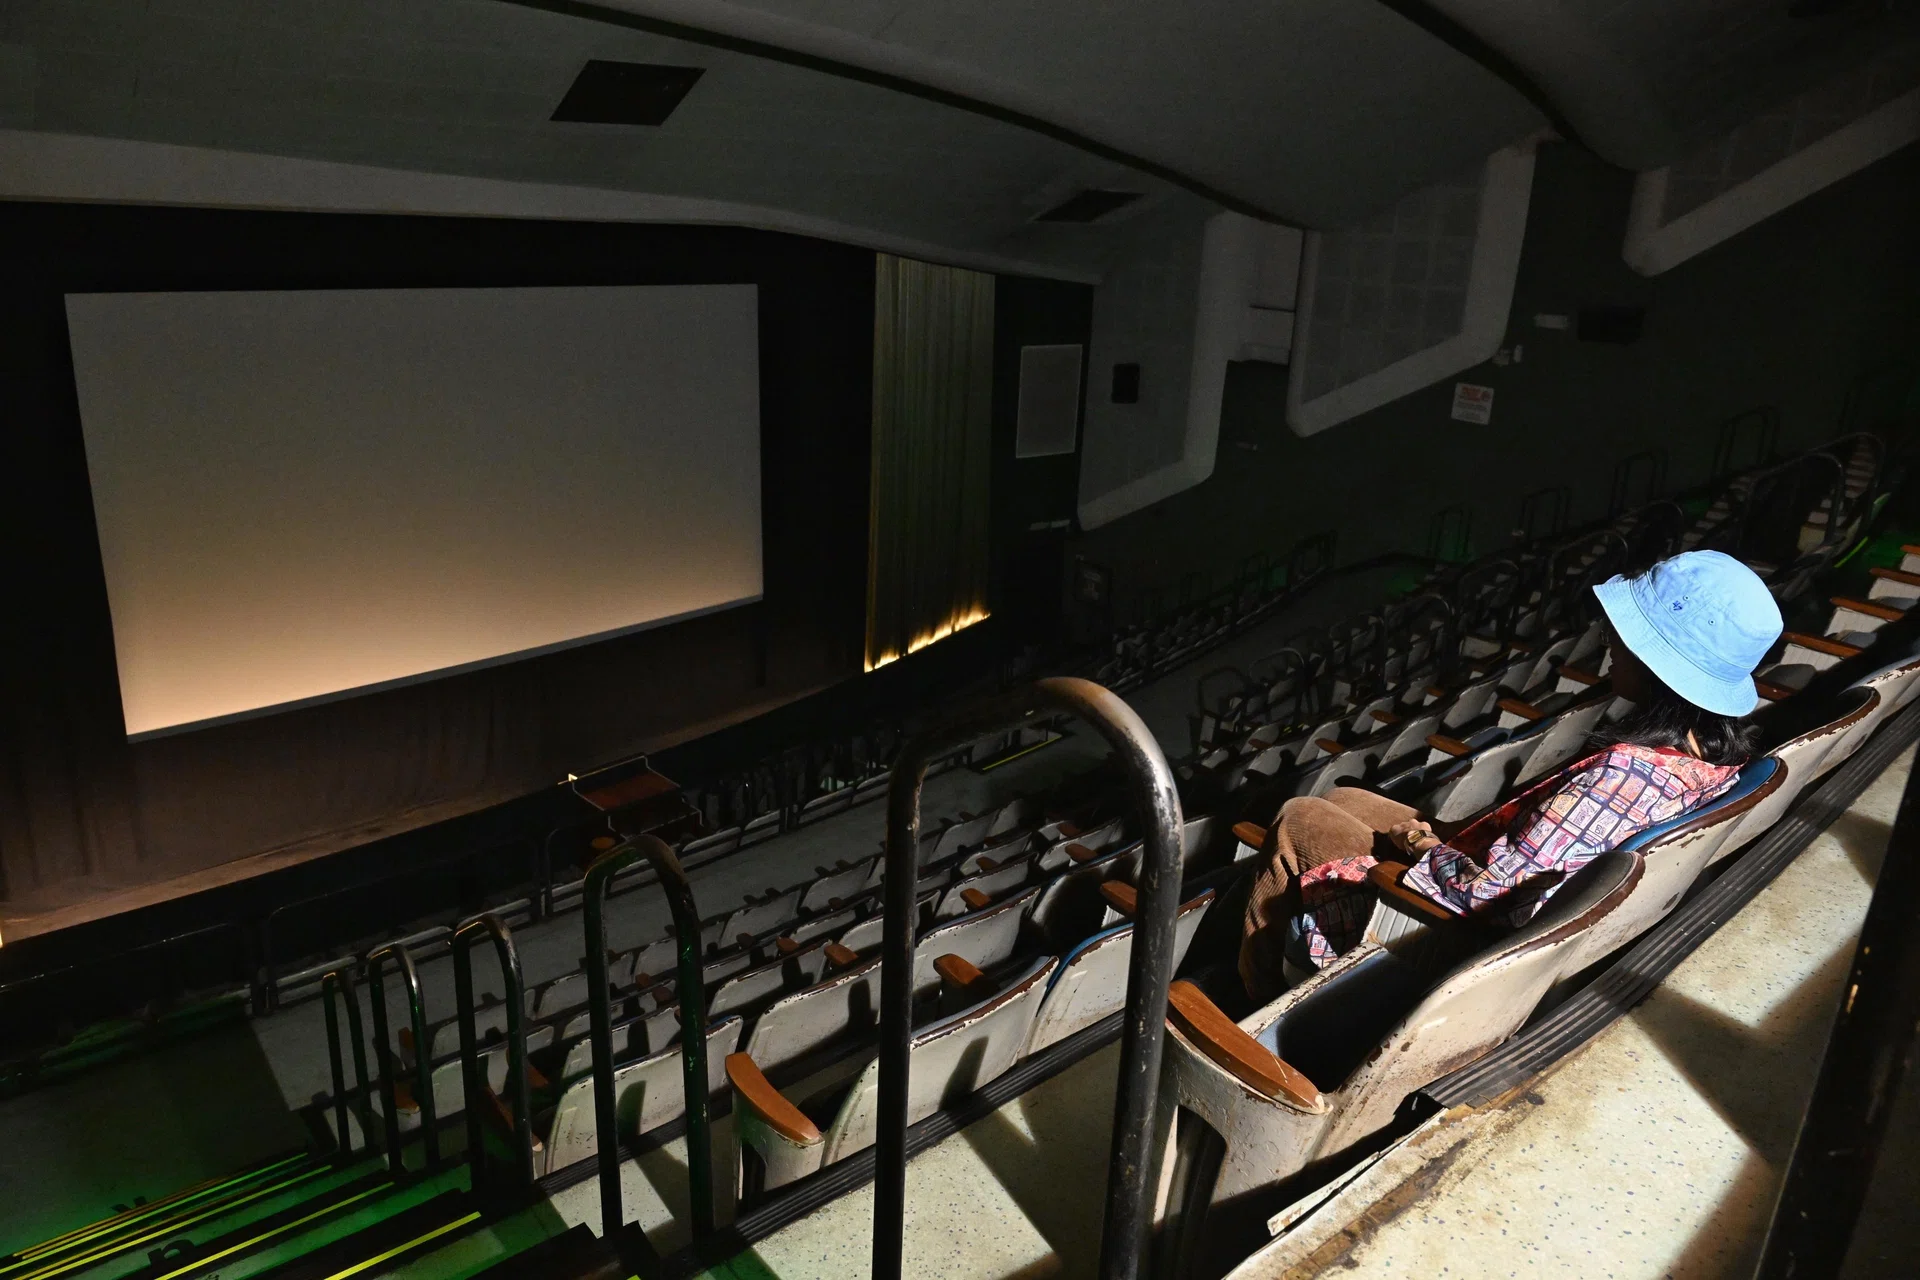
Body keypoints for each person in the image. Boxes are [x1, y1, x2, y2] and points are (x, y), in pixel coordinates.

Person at [1238, 549, 1784, 1002]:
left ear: (1657, 661)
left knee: (1300, 816)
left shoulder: (1624, 777)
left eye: (1627, 629)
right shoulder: (1707, 758)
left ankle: (1256, 1003)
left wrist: (1419, 841)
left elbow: (1489, 893)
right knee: (1347, 797)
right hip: (1504, 881)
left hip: (1441, 930)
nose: (1610, 637)